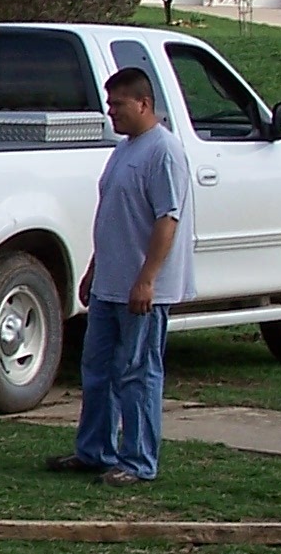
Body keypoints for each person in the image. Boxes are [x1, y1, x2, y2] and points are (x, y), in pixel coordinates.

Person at [53, 65, 192, 486]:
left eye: (118, 104)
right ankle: (94, 450)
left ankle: (138, 461)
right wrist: (95, 269)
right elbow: (113, 216)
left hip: (141, 290)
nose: (111, 111)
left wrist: (147, 279)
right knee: (97, 370)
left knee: (137, 373)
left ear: (143, 103)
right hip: (109, 287)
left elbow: (167, 220)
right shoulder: (123, 149)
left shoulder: (163, 152)